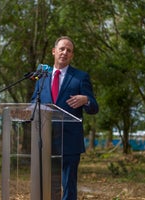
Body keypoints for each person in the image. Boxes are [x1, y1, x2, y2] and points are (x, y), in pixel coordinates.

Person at [31, 36, 99, 200]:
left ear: (72, 56)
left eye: (69, 50)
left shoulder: (80, 77)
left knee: (68, 186)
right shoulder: (42, 76)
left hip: (70, 140)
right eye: (61, 49)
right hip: (46, 140)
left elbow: (94, 107)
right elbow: (34, 102)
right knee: (49, 185)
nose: (65, 52)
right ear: (54, 51)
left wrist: (86, 100)